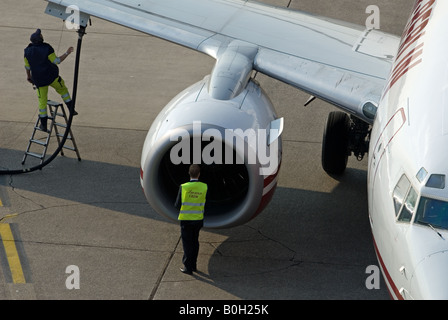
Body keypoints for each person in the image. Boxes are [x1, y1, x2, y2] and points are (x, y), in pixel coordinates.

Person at [24, 28, 77, 132]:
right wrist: (67, 53)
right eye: (40, 35)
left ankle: (43, 125)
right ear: (40, 39)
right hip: (51, 77)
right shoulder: (47, 48)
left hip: (39, 80)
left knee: (42, 102)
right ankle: (71, 109)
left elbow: (27, 67)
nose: (42, 35)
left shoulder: (27, 51)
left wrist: (29, 77)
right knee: (63, 89)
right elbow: (57, 61)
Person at [175, 164, 208, 275]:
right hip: (198, 219)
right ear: (199, 174)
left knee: (187, 244)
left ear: (189, 173)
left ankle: (188, 267)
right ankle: (194, 265)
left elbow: (177, 204)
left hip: (186, 220)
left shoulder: (184, 187)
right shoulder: (204, 187)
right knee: (195, 242)